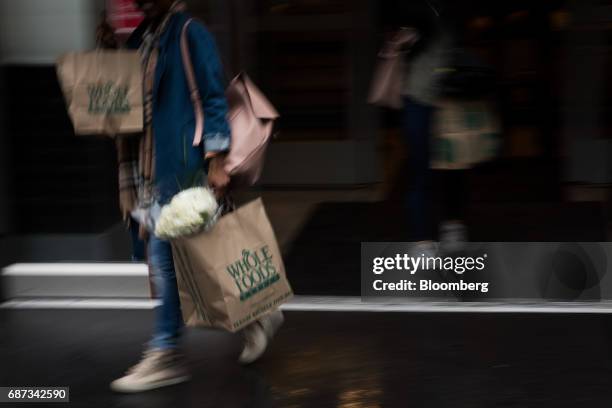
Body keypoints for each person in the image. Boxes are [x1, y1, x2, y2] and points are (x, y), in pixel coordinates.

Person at [98, 0, 283, 393]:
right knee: (196, 257)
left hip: (184, 163)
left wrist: (217, 161)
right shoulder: (144, 37)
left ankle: (166, 353)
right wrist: (107, 51)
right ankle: (257, 314)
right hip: (150, 165)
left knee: (164, 260)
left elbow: (214, 98)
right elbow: (122, 99)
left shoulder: (187, 31)